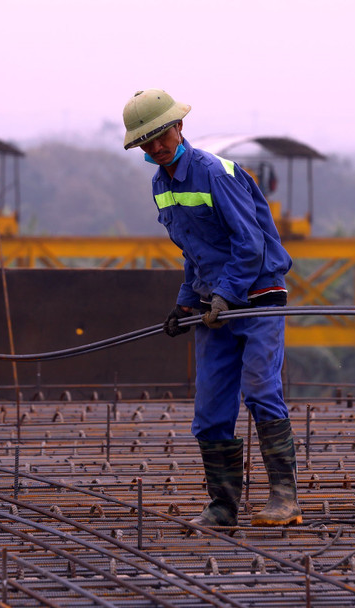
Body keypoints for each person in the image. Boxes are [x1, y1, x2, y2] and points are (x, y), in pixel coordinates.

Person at [122, 89, 300, 528]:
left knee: (259, 388)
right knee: (211, 410)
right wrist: (185, 303)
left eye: (161, 135)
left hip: (256, 297)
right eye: (147, 142)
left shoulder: (216, 174)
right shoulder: (160, 185)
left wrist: (226, 294)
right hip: (211, 305)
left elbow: (251, 243)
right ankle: (223, 507)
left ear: (179, 127)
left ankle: (285, 498)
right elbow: (194, 251)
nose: (156, 147)